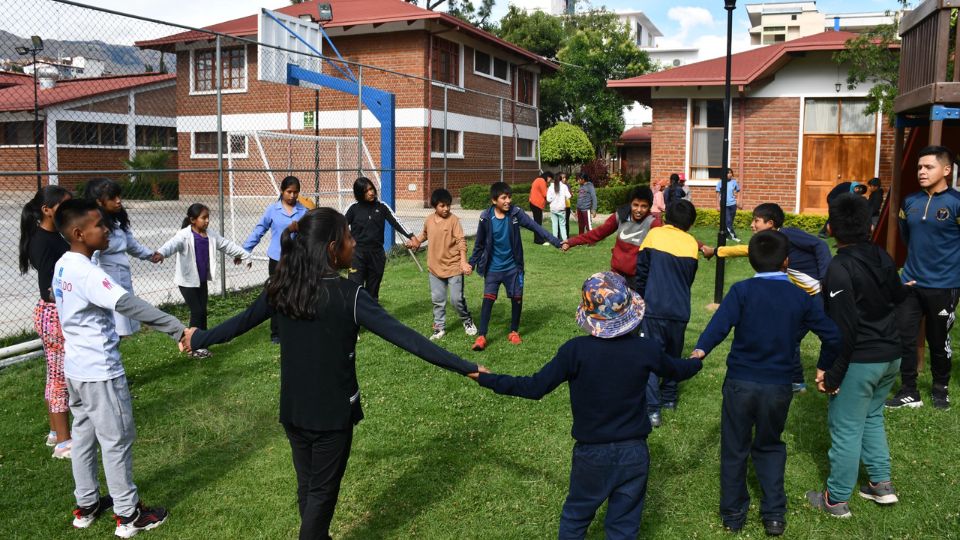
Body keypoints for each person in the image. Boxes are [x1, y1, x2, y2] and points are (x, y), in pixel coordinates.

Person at [184, 207, 481, 540]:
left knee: (310, 490)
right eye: (348, 237)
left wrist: (199, 337)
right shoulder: (348, 295)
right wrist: (466, 367)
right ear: (331, 248)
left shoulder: (281, 286)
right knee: (321, 496)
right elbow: (408, 339)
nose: (353, 243)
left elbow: (238, 324)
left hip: (294, 413)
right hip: (330, 419)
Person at [473, 271, 703, 539]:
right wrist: (697, 359)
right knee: (624, 526)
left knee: (576, 518)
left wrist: (488, 378)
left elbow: (534, 387)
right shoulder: (646, 349)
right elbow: (677, 370)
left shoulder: (575, 351)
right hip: (634, 453)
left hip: (592, 455)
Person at [52, 198, 186, 537]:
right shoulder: (86, 272)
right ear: (80, 233)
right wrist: (177, 328)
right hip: (100, 372)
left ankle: (86, 505)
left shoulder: (64, 264)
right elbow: (127, 304)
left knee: (83, 436)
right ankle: (128, 516)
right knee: (116, 439)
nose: (107, 228)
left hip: (76, 370)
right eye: (99, 224)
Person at [692, 230, 841, 535]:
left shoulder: (742, 291)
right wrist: (824, 366)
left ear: (751, 261)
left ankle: (733, 515)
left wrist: (700, 349)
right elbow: (833, 336)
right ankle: (774, 515)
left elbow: (718, 327)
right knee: (770, 445)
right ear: (786, 261)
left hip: (740, 384)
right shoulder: (801, 296)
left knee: (735, 447)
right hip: (778, 387)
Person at [806, 193, 908, 518]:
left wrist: (833, 373)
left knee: (847, 426)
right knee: (872, 416)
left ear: (832, 227)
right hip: (891, 356)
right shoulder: (882, 256)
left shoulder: (839, 268)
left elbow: (843, 329)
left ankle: (835, 500)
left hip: (861, 360)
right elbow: (896, 296)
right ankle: (881, 485)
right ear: (868, 225)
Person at [710, 203, 833, 392]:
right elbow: (746, 250)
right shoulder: (771, 243)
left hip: (820, 294)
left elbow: (820, 244)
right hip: (808, 298)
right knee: (792, 336)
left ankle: (829, 376)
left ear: (771, 223)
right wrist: (717, 251)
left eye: (756, 221)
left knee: (825, 335)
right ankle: (797, 381)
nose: (752, 225)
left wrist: (826, 278)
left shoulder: (788, 234)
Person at [886, 145, 960, 409]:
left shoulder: (956, 203)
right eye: (919, 167)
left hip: (944, 285)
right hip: (911, 282)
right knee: (904, 336)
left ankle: (941, 389)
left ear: (946, 170)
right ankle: (909, 390)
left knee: (938, 341)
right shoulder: (910, 202)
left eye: (928, 167)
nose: (922, 171)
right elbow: (907, 236)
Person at [468, 182, 562, 351]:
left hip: (513, 268)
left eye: (509, 197)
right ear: (494, 200)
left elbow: (536, 227)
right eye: (504, 198)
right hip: (493, 269)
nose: (508, 201)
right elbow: (479, 244)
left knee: (517, 299)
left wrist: (556, 242)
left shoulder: (516, 214)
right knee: (488, 300)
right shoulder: (485, 217)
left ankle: (513, 331)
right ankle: (481, 336)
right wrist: (471, 263)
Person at [19, 185, 74, 459]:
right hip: (54, 313)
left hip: (54, 312)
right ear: (46, 210)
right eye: (64, 205)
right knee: (59, 378)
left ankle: (56, 433)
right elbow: (51, 287)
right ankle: (64, 441)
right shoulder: (43, 241)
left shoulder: (53, 236)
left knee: (55, 373)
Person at [155, 203, 251, 358]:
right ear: (193, 220)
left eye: (208, 218)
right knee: (197, 311)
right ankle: (193, 346)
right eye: (203, 218)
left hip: (201, 281)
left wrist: (244, 254)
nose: (207, 221)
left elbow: (226, 245)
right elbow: (171, 245)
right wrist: (161, 253)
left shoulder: (211, 235)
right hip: (187, 282)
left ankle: (202, 343)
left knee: (203, 311)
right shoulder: (184, 235)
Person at [635, 199, 700, 427]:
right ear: (690, 224)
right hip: (680, 310)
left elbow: (641, 271)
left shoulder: (654, 236)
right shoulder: (692, 244)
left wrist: (640, 299)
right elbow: (689, 278)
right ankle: (669, 399)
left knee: (651, 357)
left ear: (666, 217)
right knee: (672, 356)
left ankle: (652, 410)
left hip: (653, 308)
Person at [83, 178, 161, 337]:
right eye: (112, 198)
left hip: (122, 275)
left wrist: (150, 255)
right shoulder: (97, 226)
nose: (118, 201)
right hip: (107, 277)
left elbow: (130, 244)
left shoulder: (117, 218)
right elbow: (90, 256)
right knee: (113, 325)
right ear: (99, 201)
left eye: (119, 196)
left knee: (123, 323)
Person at [404, 188, 477, 340]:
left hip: (454, 267)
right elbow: (424, 234)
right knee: (438, 300)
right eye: (442, 206)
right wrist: (415, 242)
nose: (446, 209)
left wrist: (463, 262)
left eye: (448, 205)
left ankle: (467, 320)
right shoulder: (429, 220)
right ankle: (439, 328)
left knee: (456, 299)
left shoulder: (453, 220)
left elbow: (461, 242)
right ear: (434, 206)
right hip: (435, 268)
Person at [244, 175, 308, 343]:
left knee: (296, 294)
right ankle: (276, 333)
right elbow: (259, 230)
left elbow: (310, 236)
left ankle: (295, 327)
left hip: (296, 260)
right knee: (277, 295)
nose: (293, 196)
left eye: (296, 192)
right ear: (282, 191)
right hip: (277, 260)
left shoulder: (304, 212)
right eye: (289, 192)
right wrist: (244, 250)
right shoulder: (272, 210)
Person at [563, 186, 660, 291]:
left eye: (644, 206)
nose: (639, 210)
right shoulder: (620, 216)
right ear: (630, 203)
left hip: (637, 280)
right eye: (635, 205)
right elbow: (598, 233)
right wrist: (572, 241)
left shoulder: (653, 223)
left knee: (637, 307)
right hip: (616, 275)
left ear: (649, 207)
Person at [344, 177, 414, 303]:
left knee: (372, 294)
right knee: (355, 290)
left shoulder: (381, 207)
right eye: (366, 191)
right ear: (359, 194)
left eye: (371, 188)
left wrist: (412, 236)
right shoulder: (353, 208)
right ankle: (353, 320)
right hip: (357, 255)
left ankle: (371, 319)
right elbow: (340, 226)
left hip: (377, 255)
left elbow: (396, 221)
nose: (371, 193)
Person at [716, 168, 742, 242]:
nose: (729, 174)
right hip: (724, 205)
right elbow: (717, 194)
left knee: (730, 222)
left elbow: (738, 191)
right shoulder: (720, 182)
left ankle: (726, 236)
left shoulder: (734, 182)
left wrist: (738, 201)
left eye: (731, 173)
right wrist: (717, 205)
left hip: (733, 205)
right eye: (728, 173)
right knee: (728, 221)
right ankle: (734, 237)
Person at [547, 172, 572, 242]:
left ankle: (555, 241)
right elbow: (569, 196)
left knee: (554, 225)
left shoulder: (551, 187)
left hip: (553, 209)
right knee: (562, 226)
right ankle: (565, 241)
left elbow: (548, 199)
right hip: (561, 209)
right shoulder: (564, 187)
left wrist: (553, 199)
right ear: (561, 179)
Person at [529, 171, 550, 245]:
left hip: (533, 203)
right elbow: (545, 194)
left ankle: (537, 239)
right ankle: (539, 240)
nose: (550, 180)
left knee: (537, 222)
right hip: (537, 204)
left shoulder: (537, 180)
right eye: (550, 178)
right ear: (548, 177)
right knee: (538, 223)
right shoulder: (542, 181)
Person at [560, 173, 573, 238]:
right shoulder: (557, 186)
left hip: (567, 206)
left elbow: (570, 195)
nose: (564, 179)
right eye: (562, 178)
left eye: (565, 177)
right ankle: (559, 235)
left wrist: (570, 194)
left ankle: (566, 235)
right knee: (560, 221)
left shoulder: (567, 185)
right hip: (560, 206)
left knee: (566, 221)